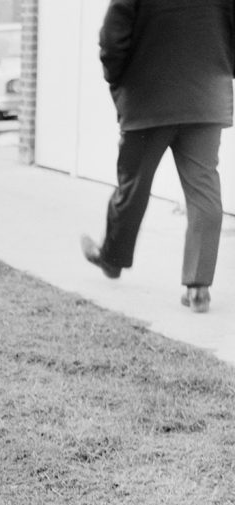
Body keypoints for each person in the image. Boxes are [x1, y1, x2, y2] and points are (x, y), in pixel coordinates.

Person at [81, 0, 235, 313]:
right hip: (206, 99)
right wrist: (221, 72)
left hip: (147, 98)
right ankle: (199, 287)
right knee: (204, 189)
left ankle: (111, 259)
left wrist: (118, 80)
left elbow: (112, 39)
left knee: (133, 183)